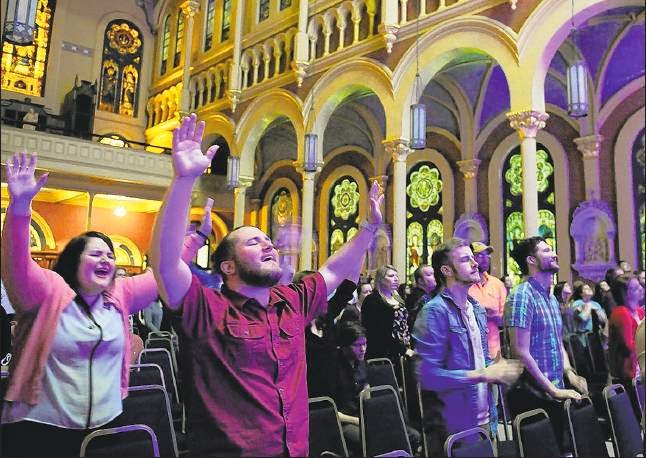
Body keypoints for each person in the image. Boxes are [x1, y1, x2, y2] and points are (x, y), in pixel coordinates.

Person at [150, 113, 385, 457]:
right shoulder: (206, 309)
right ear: (228, 266)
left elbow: (334, 270)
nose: (268, 245)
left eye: (268, 240)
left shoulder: (292, 301)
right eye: (253, 242)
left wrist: (368, 228)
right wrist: (183, 180)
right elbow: (165, 263)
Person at [0, 150, 208, 456]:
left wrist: (196, 239)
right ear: (74, 260)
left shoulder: (120, 294)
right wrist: (20, 208)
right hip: (42, 429)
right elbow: (16, 264)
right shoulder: (47, 291)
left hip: (105, 428)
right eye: (96, 253)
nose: (106, 259)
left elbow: (163, 271)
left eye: (110, 255)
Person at [412, 238, 522, 456]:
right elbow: (427, 375)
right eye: (465, 260)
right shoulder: (435, 311)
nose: (475, 263)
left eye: (473, 258)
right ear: (446, 270)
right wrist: (483, 374)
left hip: (484, 416)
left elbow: (479, 360)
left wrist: (498, 369)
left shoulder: (476, 309)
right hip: (453, 423)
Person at [505, 236, 588, 449]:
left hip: (555, 390)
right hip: (534, 395)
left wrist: (569, 372)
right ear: (531, 260)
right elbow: (520, 351)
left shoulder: (550, 298)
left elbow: (557, 342)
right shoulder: (522, 296)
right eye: (547, 250)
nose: (555, 254)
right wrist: (552, 390)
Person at [607, 273, 645, 419]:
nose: (641, 289)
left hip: (638, 371)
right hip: (628, 377)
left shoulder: (639, 311)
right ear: (625, 293)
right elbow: (629, 346)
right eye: (635, 288)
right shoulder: (620, 313)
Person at [362, 265, 414, 365]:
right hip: (384, 354)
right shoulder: (373, 300)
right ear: (380, 279)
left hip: (404, 351)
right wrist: (402, 349)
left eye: (396, 276)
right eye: (391, 276)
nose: (396, 279)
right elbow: (378, 331)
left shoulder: (398, 299)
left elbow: (405, 324)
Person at [468, 242, 508, 359]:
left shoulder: (497, 284)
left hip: (493, 350)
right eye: (480, 255)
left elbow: (505, 320)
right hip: (470, 351)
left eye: (487, 255)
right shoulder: (465, 284)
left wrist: (494, 316)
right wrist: (479, 313)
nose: (485, 259)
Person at [405, 264, 436, 332]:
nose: (434, 277)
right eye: (429, 275)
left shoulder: (426, 295)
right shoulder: (421, 299)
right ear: (420, 281)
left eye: (434, 274)